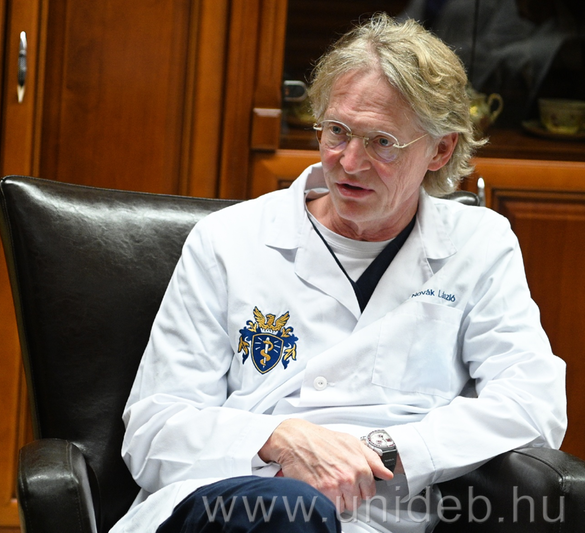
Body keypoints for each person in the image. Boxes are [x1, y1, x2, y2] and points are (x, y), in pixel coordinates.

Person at [109, 13, 566, 533]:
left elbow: (533, 402)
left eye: (382, 142)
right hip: (229, 504)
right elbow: (153, 428)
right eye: (337, 131)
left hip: (379, 515)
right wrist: (279, 438)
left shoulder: (478, 245)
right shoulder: (228, 240)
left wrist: (387, 449)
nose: (349, 162)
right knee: (289, 511)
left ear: (440, 149)